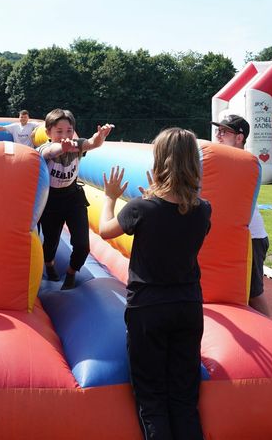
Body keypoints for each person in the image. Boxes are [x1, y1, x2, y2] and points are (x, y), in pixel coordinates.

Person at [99, 128, 211, 440]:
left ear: (159, 161)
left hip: (149, 309)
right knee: (184, 398)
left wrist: (110, 197)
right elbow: (175, 220)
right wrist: (154, 196)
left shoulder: (141, 208)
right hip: (188, 307)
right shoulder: (203, 209)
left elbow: (106, 230)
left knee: (152, 398)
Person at [38, 109, 114, 290]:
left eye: (69, 131)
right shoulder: (44, 149)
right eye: (59, 131)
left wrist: (100, 137)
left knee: (82, 245)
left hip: (73, 198)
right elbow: (50, 151)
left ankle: (72, 272)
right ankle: (49, 263)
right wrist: (62, 147)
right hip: (50, 201)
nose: (65, 136)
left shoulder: (76, 145)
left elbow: (91, 143)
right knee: (50, 241)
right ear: (48, 133)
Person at [212, 114, 269, 315]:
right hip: (236, 236)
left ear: (239, 137)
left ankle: (270, 330)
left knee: (253, 294)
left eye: (224, 131)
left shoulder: (245, 162)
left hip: (250, 238)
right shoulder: (223, 160)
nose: (218, 135)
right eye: (218, 130)